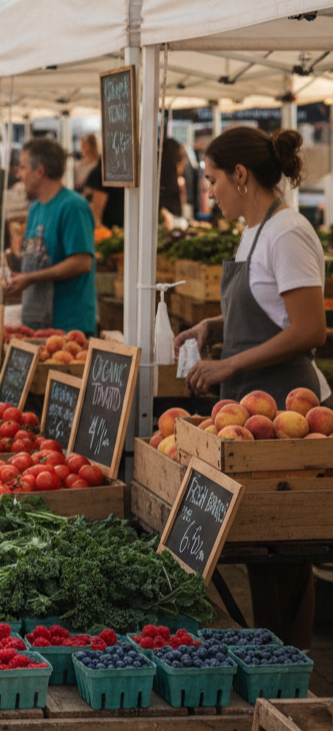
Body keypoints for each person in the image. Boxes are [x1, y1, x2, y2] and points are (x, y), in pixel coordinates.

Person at [174, 128, 328, 650]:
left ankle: (292, 668)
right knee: (262, 552)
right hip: (250, 412)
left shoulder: (288, 233)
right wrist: (212, 327)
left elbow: (309, 329)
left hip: (289, 412)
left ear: (240, 175)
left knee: (284, 555)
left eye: (213, 178)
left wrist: (228, 364)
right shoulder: (254, 232)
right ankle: (271, 659)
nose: (209, 190)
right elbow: (268, 303)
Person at [7, 137, 96, 335]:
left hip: (69, 327)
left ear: (39, 171)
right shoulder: (35, 208)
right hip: (37, 325)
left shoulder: (73, 206)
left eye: (22, 168)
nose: (19, 175)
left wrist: (30, 278)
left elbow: (82, 262)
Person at [83, 154, 124, 229]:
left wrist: (96, 227)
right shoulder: (118, 172)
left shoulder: (99, 173)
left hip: (108, 227)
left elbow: (97, 207)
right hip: (119, 226)